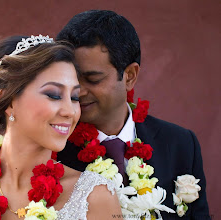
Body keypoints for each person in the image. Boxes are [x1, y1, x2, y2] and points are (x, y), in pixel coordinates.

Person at [0, 35, 123, 220]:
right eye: (54, 95)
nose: (70, 111)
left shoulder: (95, 197)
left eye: (74, 98)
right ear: (8, 100)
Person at [56, 10, 210, 219]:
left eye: (92, 79)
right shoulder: (54, 150)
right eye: (72, 78)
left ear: (130, 76)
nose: (78, 91)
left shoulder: (180, 144)